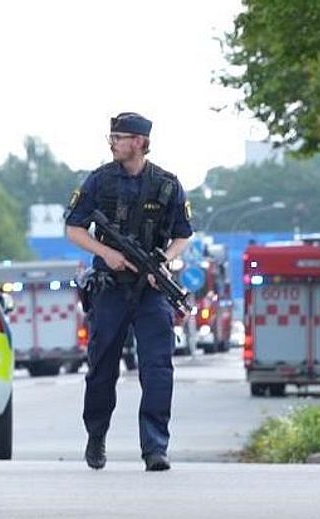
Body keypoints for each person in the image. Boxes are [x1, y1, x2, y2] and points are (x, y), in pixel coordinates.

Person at [64, 112, 193, 471]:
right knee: (102, 368)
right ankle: (96, 435)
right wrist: (107, 253)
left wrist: (163, 261)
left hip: (151, 291)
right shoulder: (100, 181)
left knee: (158, 369)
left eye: (119, 138)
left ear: (139, 142)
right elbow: (74, 228)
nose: (113, 143)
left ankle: (155, 448)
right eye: (112, 137)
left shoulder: (167, 184)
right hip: (110, 288)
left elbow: (183, 234)